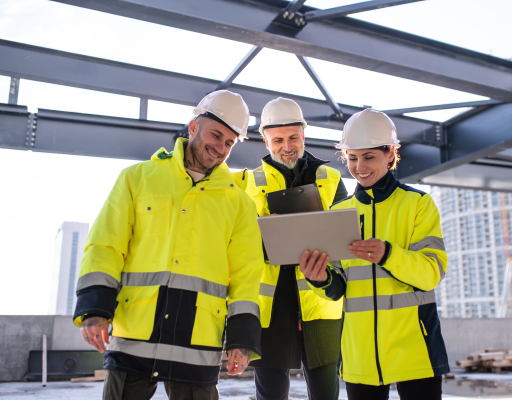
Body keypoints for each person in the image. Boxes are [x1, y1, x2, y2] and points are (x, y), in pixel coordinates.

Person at [73, 90, 264, 400]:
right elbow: (105, 245)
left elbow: (246, 274)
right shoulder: (137, 179)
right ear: (193, 128)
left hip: (198, 339)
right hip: (136, 332)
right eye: (216, 135)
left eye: (229, 142)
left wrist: (241, 339)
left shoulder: (239, 203)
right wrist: (95, 309)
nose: (220, 148)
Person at [299, 109, 449, 400]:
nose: (359, 166)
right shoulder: (338, 213)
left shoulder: (417, 204)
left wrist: (388, 254)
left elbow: (432, 272)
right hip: (360, 355)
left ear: (390, 155)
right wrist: (320, 280)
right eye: (352, 158)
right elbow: (339, 288)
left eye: (369, 157)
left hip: (416, 348)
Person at [233, 97, 348, 400]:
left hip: (321, 305)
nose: (288, 146)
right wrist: (264, 234)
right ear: (266, 140)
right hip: (271, 310)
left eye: (293, 137)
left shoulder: (331, 180)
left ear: (303, 135)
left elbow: (346, 239)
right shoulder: (249, 184)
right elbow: (237, 245)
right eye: (279, 139)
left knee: (326, 393)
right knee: (270, 394)